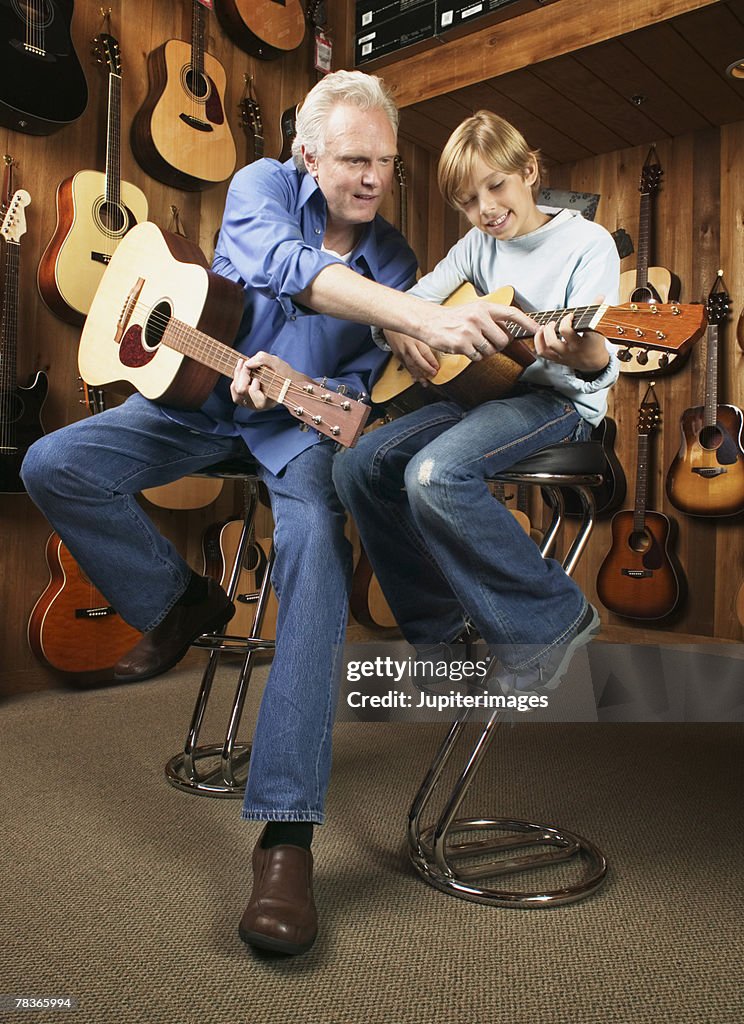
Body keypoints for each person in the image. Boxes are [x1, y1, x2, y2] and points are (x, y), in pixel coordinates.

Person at [21, 76, 535, 957]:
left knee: (314, 564)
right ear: (308, 155)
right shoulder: (260, 186)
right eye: (352, 161)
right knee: (53, 464)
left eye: (382, 162)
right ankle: (180, 603)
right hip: (197, 402)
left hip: (301, 432)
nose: (371, 179)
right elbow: (282, 269)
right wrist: (401, 314)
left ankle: (285, 840)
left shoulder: (401, 258)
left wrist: (387, 352)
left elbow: (374, 377)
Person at [333, 110, 621, 698]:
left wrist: (573, 350)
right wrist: (405, 333)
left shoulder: (587, 244)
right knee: (356, 464)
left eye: (496, 186)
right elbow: (405, 311)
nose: (486, 209)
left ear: (530, 171)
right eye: (468, 201)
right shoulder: (474, 248)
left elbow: (597, 362)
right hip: (477, 395)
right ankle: (439, 635)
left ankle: (550, 623)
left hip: (556, 402)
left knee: (434, 475)